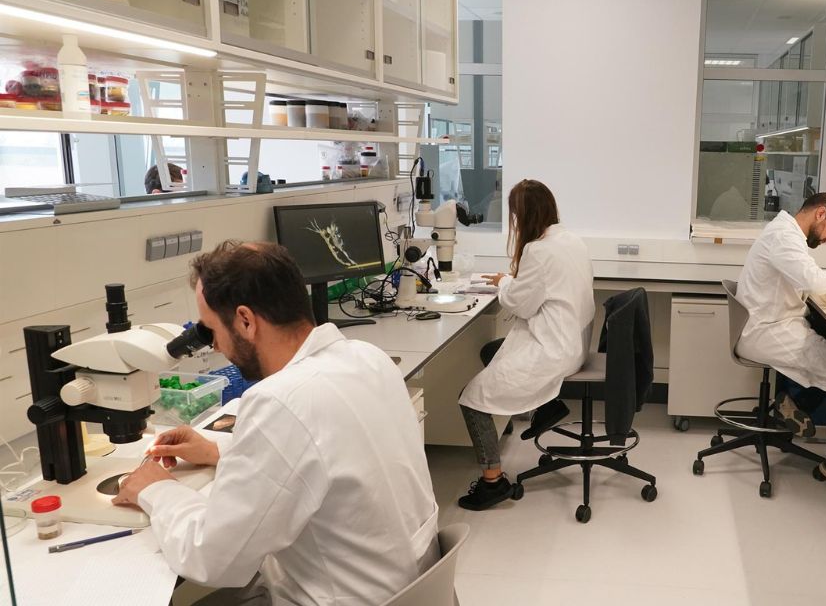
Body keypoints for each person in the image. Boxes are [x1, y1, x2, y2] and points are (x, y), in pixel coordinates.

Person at [113, 241, 438, 606]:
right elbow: (326, 453)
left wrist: (157, 490)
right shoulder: (366, 357)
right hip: (405, 588)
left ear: (246, 320)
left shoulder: (279, 402)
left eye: (210, 330)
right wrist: (221, 449)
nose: (216, 346)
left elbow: (212, 560)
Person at [456, 179, 595, 511]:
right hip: (573, 344)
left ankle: (493, 482)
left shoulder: (537, 249)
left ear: (524, 216)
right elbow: (543, 287)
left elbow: (522, 305)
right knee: (493, 351)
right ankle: (547, 407)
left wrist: (505, 282)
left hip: (553, 351)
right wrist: (512, 281)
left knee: (472, 399)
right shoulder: (570, 239)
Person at [735, 192, 826, 482]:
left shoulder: (787, 234)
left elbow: (805, 274)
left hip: (774, 324)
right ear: (820, 215)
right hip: (767, 330)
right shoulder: (783, 237)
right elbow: (811, 279)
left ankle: (791, 403)